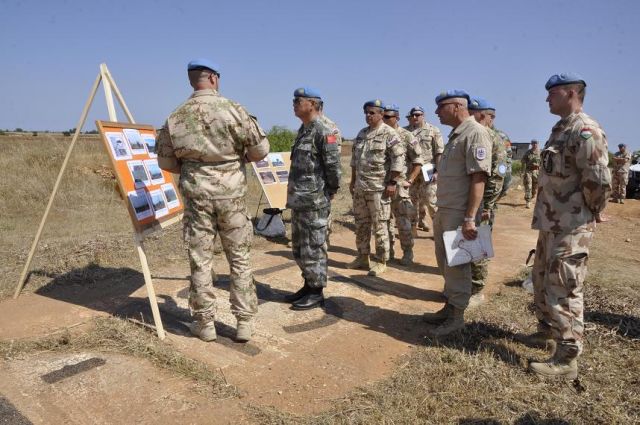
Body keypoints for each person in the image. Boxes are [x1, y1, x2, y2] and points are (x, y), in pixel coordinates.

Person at [156, 58, 269, 343]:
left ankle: (205, 323)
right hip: (232, 197)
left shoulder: (175, 116)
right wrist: (234, 161)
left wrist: (194, 168)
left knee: (200, 259)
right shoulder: (234, 110)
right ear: (214, 79)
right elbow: (260, 150)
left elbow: (166, 162)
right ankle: (244, 323)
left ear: (191, 80)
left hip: (197, 199)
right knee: (239, 258)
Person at [525, 73, 611, 379]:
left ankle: (566, 359)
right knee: (542, 279)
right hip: (553, 222)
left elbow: (598, 180)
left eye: (553, 93)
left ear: (572, 93)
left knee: (564, 288)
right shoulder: (561, 128)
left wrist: (593, 211)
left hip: (571, 225)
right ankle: (547, 332)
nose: (547, 98)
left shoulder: (585, 130)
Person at [422, 90, 492, 336]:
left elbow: (479, 178)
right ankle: (449, 307)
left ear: (456, 107)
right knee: (445, 262)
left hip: (460, 211)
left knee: (458, 264)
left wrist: (470, 217)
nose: (437, 112)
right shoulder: (456, 135)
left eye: (441, 107)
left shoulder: (475, 133)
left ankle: (456, 318)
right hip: (445, 208)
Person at [284, 88, 341, 310]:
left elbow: (333, 167)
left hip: (315, 201)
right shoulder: (304, 130)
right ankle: (308, 285)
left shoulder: (324, 130)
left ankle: (316, 292)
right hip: (300, 200)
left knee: (314, 247)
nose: (294, 104)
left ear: (313, 104)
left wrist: (330, 191)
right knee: (300, 248)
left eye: (298, 100)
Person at [347, 99, 405, 276]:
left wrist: (392, 182)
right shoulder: (362, 133)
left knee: (380, 226)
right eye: (366, 112)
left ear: (381, 114)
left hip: (379, 189)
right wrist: (353, 181)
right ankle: (362, 256)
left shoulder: (389, 133)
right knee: (361, 224)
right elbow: (355, 161)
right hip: (361, 188)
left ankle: (381, 260)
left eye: (372, 112)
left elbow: (398, 160)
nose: (368, 115)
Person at [467, 97, 507, 306]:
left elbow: (499, 176)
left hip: (483, 203)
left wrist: (488, 205)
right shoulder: (470, 134)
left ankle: (477, 289)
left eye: (471, 113)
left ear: (482, 115)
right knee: (465, 242)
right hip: (468, 200)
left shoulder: (494, 138)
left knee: (478, 244)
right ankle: (464, 286)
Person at [382, 103, 424, 265]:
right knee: (384, 221)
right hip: (380, 185)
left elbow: (418, 161)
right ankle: (388, 251)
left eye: (388, 117)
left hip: (399, 185)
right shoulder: (379, 134)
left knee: (403, 221)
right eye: (383, 116)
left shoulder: (406, 136)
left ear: (397, 118)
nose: (384, 119)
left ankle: (407, 252)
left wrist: (410, 180)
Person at [404, 107, 444, 233]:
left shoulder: (433, 130)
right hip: (411, 170)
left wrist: (438, 171)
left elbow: (439, 152)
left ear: (423, 115)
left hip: (428, 168)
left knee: (431, 200)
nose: (415, 117)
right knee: (412, 200)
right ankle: (413, 229)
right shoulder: (405, 131)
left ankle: (439, 229)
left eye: (418, 114)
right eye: (413, 115)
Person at [317, 100, 343, 246]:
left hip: (324, 178)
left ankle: (324, 240)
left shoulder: (330, 127)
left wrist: (332, 183)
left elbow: (334, 157)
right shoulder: (307, 126)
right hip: (310, 180)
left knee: (324, 211)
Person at [521, 140, 541, 208]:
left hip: (537, 172)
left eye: (536, 143)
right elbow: (523, 161)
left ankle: (532, 196)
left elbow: (543, 162)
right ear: (531, 144)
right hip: (528, 171)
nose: (535, 144)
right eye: (533, 143)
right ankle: (528, 201)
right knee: (528, 186)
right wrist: (522, 171)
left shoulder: (540, 152)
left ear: (537, 144)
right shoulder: (528, 152)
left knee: (534, 188)